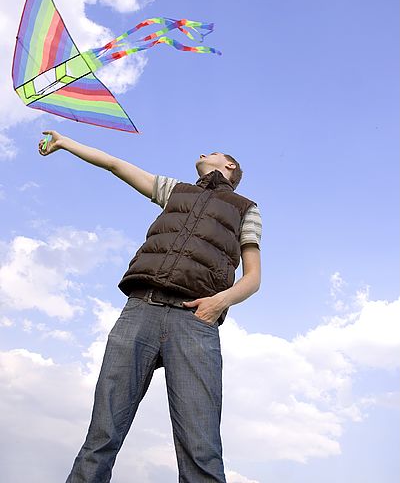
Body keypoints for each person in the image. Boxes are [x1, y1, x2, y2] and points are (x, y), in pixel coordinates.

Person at [38, 130, 262, 483]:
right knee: (102, 435)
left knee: (200, 446)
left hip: (194, 320)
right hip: (140, 310)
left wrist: (218, 303)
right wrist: (65, 143)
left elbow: (253, 278)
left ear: (229, 166)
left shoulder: (245, 209)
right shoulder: (175, 190)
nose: (205, 148)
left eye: (216, 151)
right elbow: (114, 164)